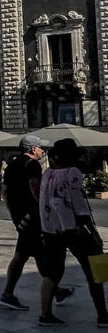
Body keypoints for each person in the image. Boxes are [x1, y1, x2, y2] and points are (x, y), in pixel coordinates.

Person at [38, 137, 107, 326]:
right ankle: (103, 315)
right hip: (73, 228)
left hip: (51, 229)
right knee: (95, 266)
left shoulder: (47, 173)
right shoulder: (73, 172)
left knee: (52, 272)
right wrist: (93, 231)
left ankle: (45, 314)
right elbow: (79, 205)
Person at [0, 134, 72, 312]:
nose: (42, 151)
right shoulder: (32, 165)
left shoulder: (12, 164)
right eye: (41, 148)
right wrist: (45, 209)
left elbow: (5, 192)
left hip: (20, 216)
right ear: (33, 149)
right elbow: (35, 189)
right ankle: (8, 294)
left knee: (36, 253)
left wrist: (14, 214)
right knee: (23, 254)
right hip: (33, 216)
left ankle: (57, 291)